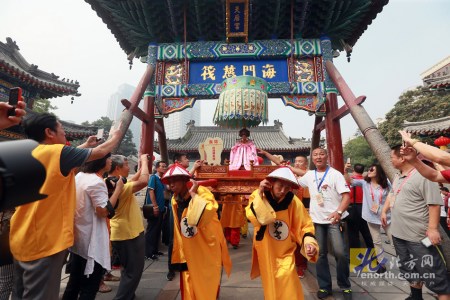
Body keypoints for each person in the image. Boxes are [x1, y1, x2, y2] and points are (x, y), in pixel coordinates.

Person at [9, 113, 121, 300]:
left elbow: (65, 161)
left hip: (21, 235)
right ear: (49, 132)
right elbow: (101, 152)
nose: (65, 137)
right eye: (62, 131)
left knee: (20, 294)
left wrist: (86, 145)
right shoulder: (56, 153)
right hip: (45, 240)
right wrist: (116, 135)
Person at [382, 145, 450, 300]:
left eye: (392, 157)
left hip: (419, 237)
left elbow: (433, 204)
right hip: (399, 234)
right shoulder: (398, 177)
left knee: (434, 274)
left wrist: (433, 229)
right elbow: (393, 196)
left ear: (402, 157)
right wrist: (384, 211)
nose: (390, 161)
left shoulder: (424, 175)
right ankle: (416, 296)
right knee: (408, 268)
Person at [245, 167, 318, 299]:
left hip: (285, 249)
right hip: (266, 249)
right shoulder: (259, 195)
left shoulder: (293, 201)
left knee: (288, 280)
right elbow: (256, 219)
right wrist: (260, 191)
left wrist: (309, 242)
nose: (283, 191)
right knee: (271, 285)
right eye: (280, 186)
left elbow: (304, 225)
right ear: (272, 183)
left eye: (287, 187)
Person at [161, 164, 231, 299]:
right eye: (169, 181)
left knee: (206, 281)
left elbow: (207, 213)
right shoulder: (175, 199)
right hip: (188, 246)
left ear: (184, 180)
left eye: (174, 180)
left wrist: (193, 193)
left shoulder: (202, 192)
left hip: (205, 245)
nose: (171, 184)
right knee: (188, 282)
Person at [62, 153, 123, 300]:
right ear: (101, 161)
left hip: (79, 236)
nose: (110, 161)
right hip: (92, 241)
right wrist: (118, 190)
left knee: (74, 283)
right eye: (108, 158)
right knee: (90, 286)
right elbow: (103, 211)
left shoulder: (79, 176)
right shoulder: (96, 181)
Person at [297, 147, 352, 300]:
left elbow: (346, 197)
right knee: (320, 254)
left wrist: (339, 212)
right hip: (316, 220)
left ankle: (345, 285)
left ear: (327, 156)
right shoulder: (309, 175)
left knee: (340, 253)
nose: (318, 157)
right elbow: (295, 182)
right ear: (312, 159)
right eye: (315, 155)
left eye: (321, 154)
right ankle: (324, 286)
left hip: (334, 219)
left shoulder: (336, 174)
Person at [108, 154, 150, 300]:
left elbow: (134, 179)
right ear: (118, 168)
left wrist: (140, 166)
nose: (129, 167)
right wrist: (144, 162)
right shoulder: (121, 187)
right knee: (133, 272)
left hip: (122, 233)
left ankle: (129, 295)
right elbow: (144, 180)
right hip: (128, 234)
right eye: (126, 164)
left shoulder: (115, 183)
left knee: (127, 270)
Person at [345, 163, 392, 273]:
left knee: (394, 240)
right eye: (369, 169)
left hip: (385, 216)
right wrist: (345, 171)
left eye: (372, 169)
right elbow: (350, 181)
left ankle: (406, 261)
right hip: (369, 215)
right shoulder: (365, 183)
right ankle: (380, 263)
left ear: (378, 172)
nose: (369, 171)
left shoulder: (387, 183)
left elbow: (392, 195)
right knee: (375, 240)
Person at [345, 163, 375, 249]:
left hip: (353, 208)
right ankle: (373, 259)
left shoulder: (349, 181)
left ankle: (356, 261)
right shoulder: (367, 181)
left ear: (354, 170)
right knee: (367, 234)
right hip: (365, 208)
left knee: (353, 235)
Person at [144, 160, 168, 260]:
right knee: (152, 230)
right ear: (157, 168)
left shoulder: (162, 180)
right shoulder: (153, 178)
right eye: (162, 166)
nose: (164, 168)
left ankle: (154, 250)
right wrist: (155, 206)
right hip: (155, 208)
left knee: (157, 230)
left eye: (165, 166)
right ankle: (147, 253)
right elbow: (151, 191)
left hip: (161, 208)